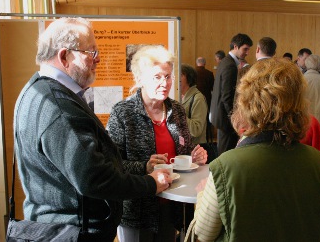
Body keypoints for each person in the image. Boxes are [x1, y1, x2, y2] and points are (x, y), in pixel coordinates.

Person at [13, 18, 172, 241]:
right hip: (74, 232)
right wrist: (150, 183)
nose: (98, 60)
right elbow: (95, 178)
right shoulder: (58, 107)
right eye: (91, 52)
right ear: (64, 56)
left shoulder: (37, 89)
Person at [191, 58, 320, 241]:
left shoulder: (226, 166)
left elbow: (203, 233)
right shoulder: (319, 162)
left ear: (247, 102)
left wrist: (202, 194)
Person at [106, 45, 207, 241]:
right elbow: (112, 165)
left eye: (168, 77)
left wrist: (194, 158)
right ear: (140, 79)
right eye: (157, 77)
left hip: (172, 207)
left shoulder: (176, 110)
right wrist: (144, 166)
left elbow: (183, 153)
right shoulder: (123, 112)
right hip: (137, 210)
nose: (165, 83)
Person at [210, 33, 253, 155]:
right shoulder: (230, 65)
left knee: (224, 152)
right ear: (235, 46)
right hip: (226, 119)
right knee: (226, 154)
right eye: (245, 49)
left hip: (220, 116)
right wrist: (234, 120)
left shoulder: (225, 62)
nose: (247, 52)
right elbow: (227, 97)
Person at [181, 64, 207, 145]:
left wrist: (178, 113)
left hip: (195, 149)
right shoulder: (178, 96)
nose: (176, 78)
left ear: (189, 78)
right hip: (183, 146)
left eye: (181, 75)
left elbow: (196, 130)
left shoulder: (198, 98)